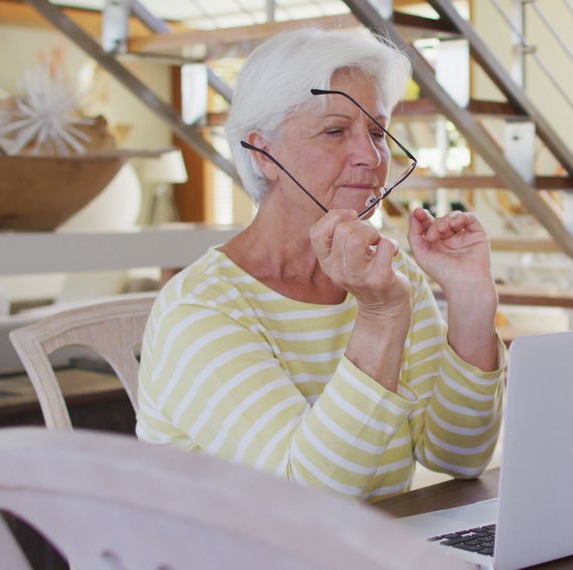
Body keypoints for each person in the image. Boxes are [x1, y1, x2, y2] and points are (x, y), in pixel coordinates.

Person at [136, 28, 504, 503]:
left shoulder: (391, 277)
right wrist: (380, 318)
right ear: (263, 152)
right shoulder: (201, 308)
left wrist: (471, 298)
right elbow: (309, 497)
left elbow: (458, 454)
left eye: (377, 131)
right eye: (335, 131)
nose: (371, 157)